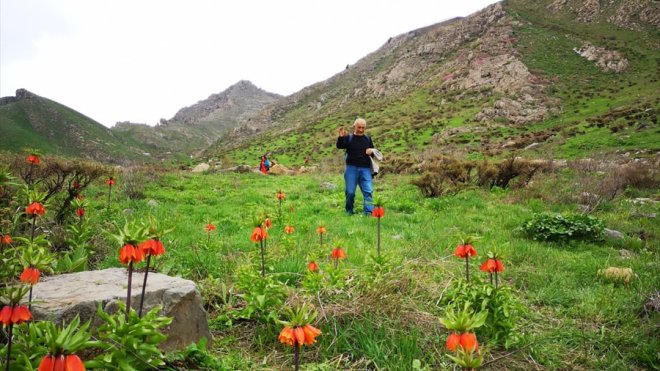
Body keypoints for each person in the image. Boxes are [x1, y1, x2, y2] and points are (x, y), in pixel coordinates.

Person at [336, 118, 375, 215]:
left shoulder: (368, 139)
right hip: (351, 168)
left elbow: (373, 153)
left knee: (368, 191)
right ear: (354, 127)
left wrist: (372, 152)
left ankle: (369, 213)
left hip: (365, 169)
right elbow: (340, 146)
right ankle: (349, 211)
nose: (361, 130)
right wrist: (341, 137)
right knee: (350, 192)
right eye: (359, 127)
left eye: (363, 127)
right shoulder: (348, 138)